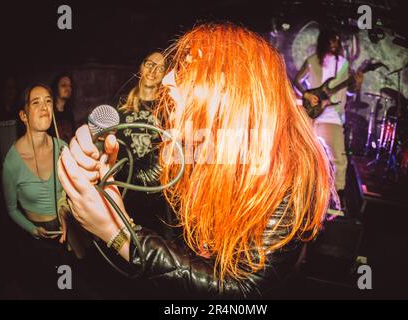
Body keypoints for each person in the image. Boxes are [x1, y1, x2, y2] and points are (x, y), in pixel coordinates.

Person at [58, 23, 336, 298]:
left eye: (188, 69)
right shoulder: (205, 142)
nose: (167, 80)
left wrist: (121, 237)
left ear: (228, 88)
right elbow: (153, 180)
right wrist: (107, 172)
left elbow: (242, 291)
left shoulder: (288, 174)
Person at [2, 83, 69, 297]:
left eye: (48, 101)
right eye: (36, 102)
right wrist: (32, 229)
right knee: (40, 289)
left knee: (65, 287)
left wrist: (68, 215)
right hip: (34, 237)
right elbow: (11, 209)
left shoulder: (63, 148)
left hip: (65, 231)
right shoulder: (12, 162)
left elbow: (71, 192)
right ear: (23, 115)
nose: (45, 107)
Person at [293, 28, 363, 209]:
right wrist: (307, 95)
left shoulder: (344, 65)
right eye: (332, 40)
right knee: (305, 157)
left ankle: (338, 198)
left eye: (337, 41)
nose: (335, 44)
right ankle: (301, 196)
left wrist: (358, 83)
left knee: (340, 160)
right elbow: (297, 81)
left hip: (333, 116)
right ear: (325, 41)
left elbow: (351, 90)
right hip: (311, 116)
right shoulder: (313, 60)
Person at [116, 52, 170, 236]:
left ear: (164, 76)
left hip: (155, 195)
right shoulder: (121, 103)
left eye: (161, 68)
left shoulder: (168, 108)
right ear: (141, 66)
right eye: (149, 64)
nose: (153, 70)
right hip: (124, 189)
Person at [50, 73, 76, 144]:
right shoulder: (49, 113)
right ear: (56, 88)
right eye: (63, 85)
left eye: (70, 86)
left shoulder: (69, 113)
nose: (68, 89)